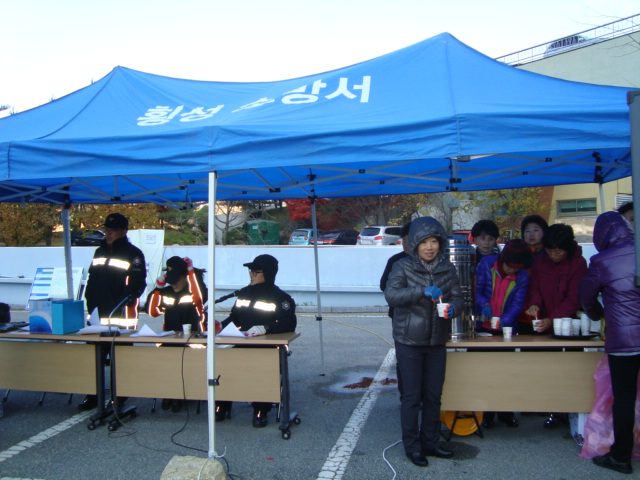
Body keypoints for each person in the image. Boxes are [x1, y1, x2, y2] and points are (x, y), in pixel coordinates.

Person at [384, 216, 463, 467]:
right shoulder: (402, 266)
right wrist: (421, 291)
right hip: (409, 340)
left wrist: (453, 309)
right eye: (424, 242)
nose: (430, 247)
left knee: (433, 395)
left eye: (434, 242)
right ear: (415, 244)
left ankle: (430, 442)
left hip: (437, 340)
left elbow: (458, 299)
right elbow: (391, 295)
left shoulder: (448, 268)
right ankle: (412, 446)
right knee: (411, 397)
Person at [580, 211, 640, 475]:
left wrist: (598, 315)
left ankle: (621, 457)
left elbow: (586, 298)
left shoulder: (602, 260)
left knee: (624, 398)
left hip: (624, 342)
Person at [216, 254, 296, 427]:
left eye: (255, 272)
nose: (251, 275)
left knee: (261, 369)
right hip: (240, 343)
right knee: (223, 363)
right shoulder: (244, 293)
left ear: (268, 273)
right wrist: (220, 325)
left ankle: (261, 409)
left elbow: (289, 323)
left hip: (264, 348)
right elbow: (234, 317)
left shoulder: (281, 298)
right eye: (250, 271)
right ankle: (222, 403)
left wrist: (265, 328)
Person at [78, 213, 147, 411]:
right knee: (93, 357)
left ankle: (119, 396)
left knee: (120, 359)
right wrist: (90, 300)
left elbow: (138, 284)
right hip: (97, 313)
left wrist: (123, 301)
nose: (108, 234)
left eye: (113, 231)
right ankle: (93, 395)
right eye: (107, 230)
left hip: (120, 315)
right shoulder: (99, 251)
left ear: (123, 231)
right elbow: (92, 279)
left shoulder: (133, 253)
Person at [524, 223, 587, 429]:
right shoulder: (540, 260)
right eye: (550, 250)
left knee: (569, 370)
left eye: (558, 251)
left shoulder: (578, 263)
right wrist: (535, 304)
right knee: (546, 368)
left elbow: (574, 299)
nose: (553, 255)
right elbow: (535, 287)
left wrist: (552, 319)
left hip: (568, 324)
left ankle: (569, 411)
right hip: (544, 322)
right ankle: (552, 409)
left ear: (568, 248)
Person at [474, 239, 532, 428]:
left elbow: (518, 303)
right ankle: (486, 414)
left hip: (506, 330)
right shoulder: (487, 264)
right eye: (509, 266)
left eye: (517, 267)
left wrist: (505, 320)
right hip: (483, 327)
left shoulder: (522, 276)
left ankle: (506, 412)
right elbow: (477, 290)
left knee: (506, 373)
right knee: (483, 373)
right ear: (502, 260)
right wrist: (484, 304)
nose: (512, 270)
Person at [147, 256, 208, 413]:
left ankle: (180, 395)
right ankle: (169, 393)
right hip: (170, 340)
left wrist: (191, 271)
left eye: (176, 280)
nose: (173, 284)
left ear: (185, 277)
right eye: (170, 281)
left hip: (192, 340)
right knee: (166, 361)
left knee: (185, 362)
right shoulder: (166, 292)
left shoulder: (193, 290)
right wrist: (158, 289)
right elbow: (152, 311)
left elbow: (200, 297)